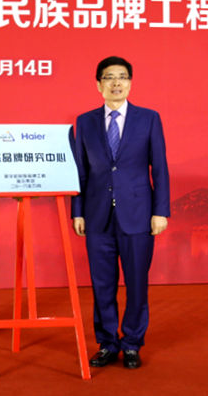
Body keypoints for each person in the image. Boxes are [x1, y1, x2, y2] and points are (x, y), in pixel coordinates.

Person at [71, 55, 169, 370]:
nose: (116, 83)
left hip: (138, 215)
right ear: (98, 84)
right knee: (102, 284)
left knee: (137, 283)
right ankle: (107, 343)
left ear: (130, 83)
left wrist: (161, 211)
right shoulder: (85, 122)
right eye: (109, 77)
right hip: (96, 215)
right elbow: (80, 171)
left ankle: (132, 344)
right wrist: (78, 211)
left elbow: (160, 168)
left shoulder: (148, 118)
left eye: (123, 77)